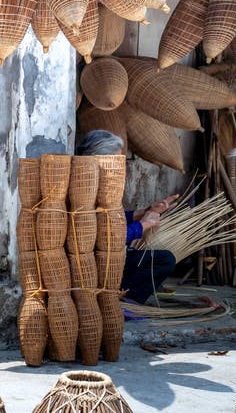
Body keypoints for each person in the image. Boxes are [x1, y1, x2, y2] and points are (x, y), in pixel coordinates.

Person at [75, 130, 178, 305]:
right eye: (115, 160)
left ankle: (123, 297)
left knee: (163, 259)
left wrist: (143, 212)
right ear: (98, 159)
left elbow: (108, 219)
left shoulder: (100, 185)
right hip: (92, 264)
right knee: (164, 260)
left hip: (111, 258)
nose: (120, 166)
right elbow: (105, 238)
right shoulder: (82, 190)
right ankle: (123, 301)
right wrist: (144, 224)